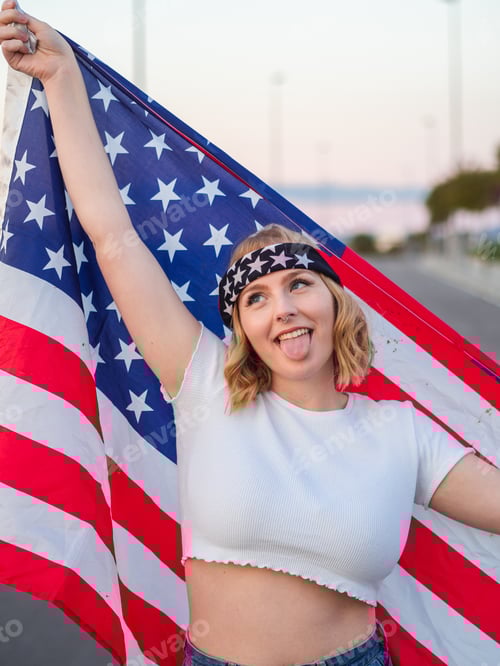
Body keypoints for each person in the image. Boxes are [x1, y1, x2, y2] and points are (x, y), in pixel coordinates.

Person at [1, 4, 500, 666]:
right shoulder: (203, 384)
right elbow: (111, 235)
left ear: (335, 305)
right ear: (242, 329)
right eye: (257, 298)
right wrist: (61, 74)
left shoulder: (403, 431)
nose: (284, 308)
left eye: (300, 285)